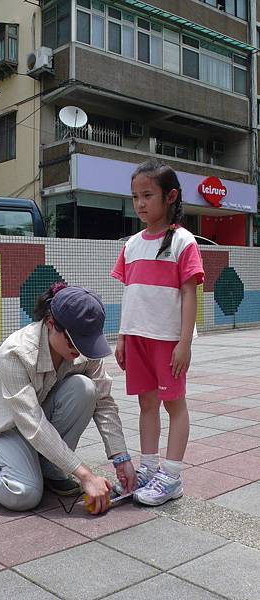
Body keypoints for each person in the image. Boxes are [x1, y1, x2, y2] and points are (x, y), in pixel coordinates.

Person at [0, 283, 137, 515]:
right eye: (74, 341)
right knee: (24, 494)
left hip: (37, 424)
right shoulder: (16, 353)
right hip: (5, 430)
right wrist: (85, 474)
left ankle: (50, 468)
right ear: (51, 324)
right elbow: (32, 423)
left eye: (86, 341)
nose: (80, 349)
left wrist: (121, 457)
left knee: (85, 388)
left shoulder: (86, 348)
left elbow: (104, 402)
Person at [111, 158, 204, 506]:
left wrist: (184, 343)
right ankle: (148, 469)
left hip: (168, 341)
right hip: (136, 339)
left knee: (174, 405)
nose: (140, 204)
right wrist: (122, 336)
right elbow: (130, 293)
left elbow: (190, 293)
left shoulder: (183, 241)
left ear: (170, 196)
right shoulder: (131, 244)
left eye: (148, 195)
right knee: (146, 404)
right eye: (135, 196)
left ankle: (172, 476)